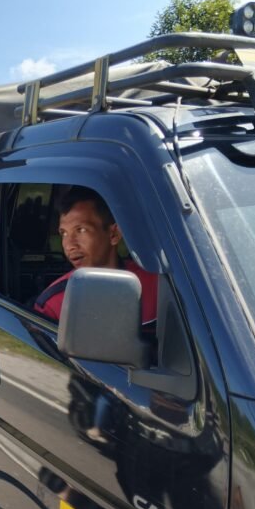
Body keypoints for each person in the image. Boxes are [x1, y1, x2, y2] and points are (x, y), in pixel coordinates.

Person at [33, 187, 158, 443]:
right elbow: (50, 374)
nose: (69, 245)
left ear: (113, 233)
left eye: (81, 230)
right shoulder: (54, 302)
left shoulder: (157, 285)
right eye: (63, 233)